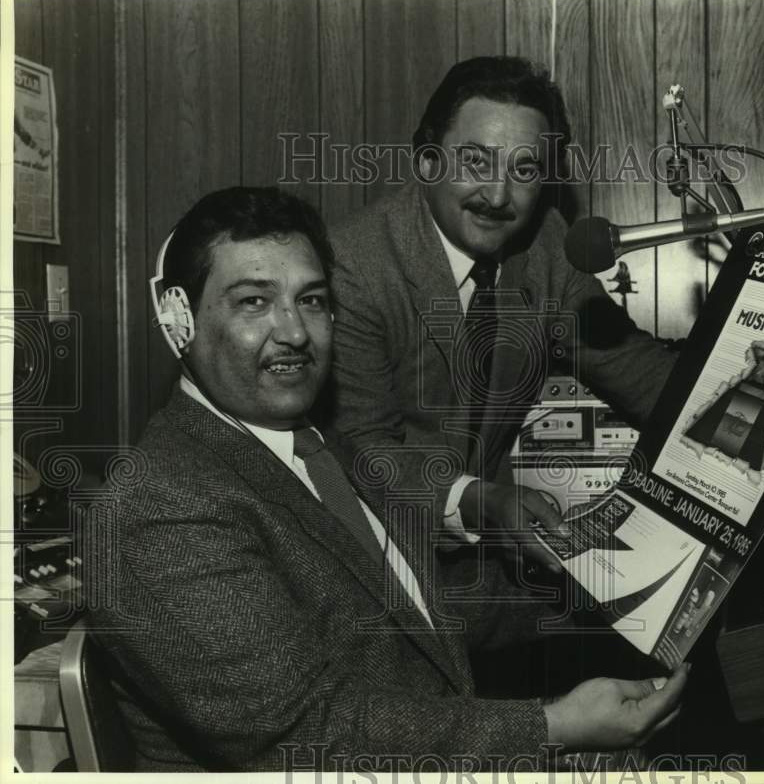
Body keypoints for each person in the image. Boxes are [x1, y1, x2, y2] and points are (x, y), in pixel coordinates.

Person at [82, 186, 688, 772]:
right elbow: (304, 736)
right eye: (254, 302)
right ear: (177, 319)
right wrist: (553, 725)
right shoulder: (159, 507)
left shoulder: (314, 445)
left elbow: (418, 613)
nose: (294, 332)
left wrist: (614, 587)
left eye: (312, 300)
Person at [327, 56, 677, 570]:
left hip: (486, 558)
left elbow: (638, 372)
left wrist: (749, 406)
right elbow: (367, 451)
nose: (496, 196)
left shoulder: (548, 244)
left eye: (524, 170)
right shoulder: (353, 266)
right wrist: (478, 500)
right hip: (369, 560)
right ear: (426, 161)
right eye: (475, 161)